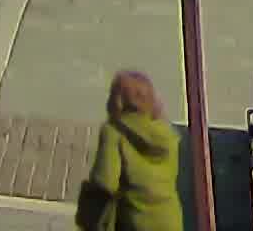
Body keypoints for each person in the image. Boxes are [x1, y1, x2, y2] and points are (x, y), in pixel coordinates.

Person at [76, 71, 185, 231]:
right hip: (170, 221)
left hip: (135, 223)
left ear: (117, 100)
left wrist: (86, 216)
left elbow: (105, 182)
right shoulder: (167, 134)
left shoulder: (113, 132)